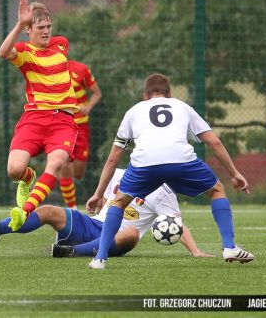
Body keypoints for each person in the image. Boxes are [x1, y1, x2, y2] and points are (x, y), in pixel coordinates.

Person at [86, 73, 254, 269]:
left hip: (144, 163)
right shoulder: (183, 107)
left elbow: (113, 158)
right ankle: (229, 247)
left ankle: (100, 259)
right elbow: (214, 142)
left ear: (145, 95)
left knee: (119, 202)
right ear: (170, 94)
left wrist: (98, 194)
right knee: (216, 189)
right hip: (180, 160)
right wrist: (234, 173)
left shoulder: (133, 111)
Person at [0, 168, 213, 259]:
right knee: (48, 210)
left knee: (132, 234)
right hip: (91, 225)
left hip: (117, 238)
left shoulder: (163, 192)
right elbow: (107, 198)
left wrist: (196, 251)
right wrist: (97, 198)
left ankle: (68, 252)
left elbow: (176, 225)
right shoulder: (121, 174)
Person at [0, 0, 79, 231]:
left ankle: (24, 212)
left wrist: (35, 15)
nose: (46, 32)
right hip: (34, 120)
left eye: (48, 26)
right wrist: (19, 24)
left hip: (62, 120)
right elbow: (4, 52)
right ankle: (26, 178)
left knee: (55, 164)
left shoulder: (61, 43)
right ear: (28, 29)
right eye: (40, 27)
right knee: (14, 170)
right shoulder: (24, 52)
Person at [59, 60, 101, 209]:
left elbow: (97, 93)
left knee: (78, 173)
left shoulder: (81, 68)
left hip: (81, 125)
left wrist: (88, 106)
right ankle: (72, 209)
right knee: (63, 163)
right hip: (61, 124)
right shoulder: (47, 70)